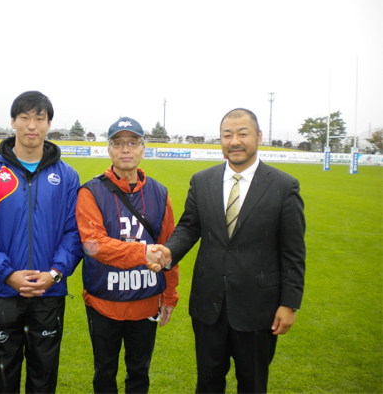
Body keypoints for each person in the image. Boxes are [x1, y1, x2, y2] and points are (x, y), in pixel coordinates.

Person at [150, 108, 306, 393]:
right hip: (208, 305)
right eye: (227, 135)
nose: (235, 140)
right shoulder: (202, 180)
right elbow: (189, 227)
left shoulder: (283, 187)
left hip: (258, 309)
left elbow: (293, 252)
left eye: (243, 133)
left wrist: (289, 303)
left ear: (258, 137)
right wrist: (169, 252)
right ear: (220, 140)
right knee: (208, 382)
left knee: (253, 383)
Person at [0, 91, 84, 394]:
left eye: (39, 118)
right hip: (3, 291)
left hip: (49, 291)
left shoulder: (68, 177)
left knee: (43, 378)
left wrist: (54, 273)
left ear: (48, 125)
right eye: (25, 117)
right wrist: (8, 274)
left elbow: (75, 232)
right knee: (4, 377)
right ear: (13, 122)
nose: (32, 125)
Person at [76, 117, 179, 394]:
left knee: (139, 374)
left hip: (145, 303)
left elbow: (169, 247)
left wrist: (170, 295)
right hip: (103, 303)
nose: (125, 149)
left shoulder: (159, 192)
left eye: (132, 143)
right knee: (104, 373)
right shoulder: (90, 192)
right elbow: (94, 245)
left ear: (142, 149)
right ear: (108, 150)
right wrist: (142, 252)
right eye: (118, 143)